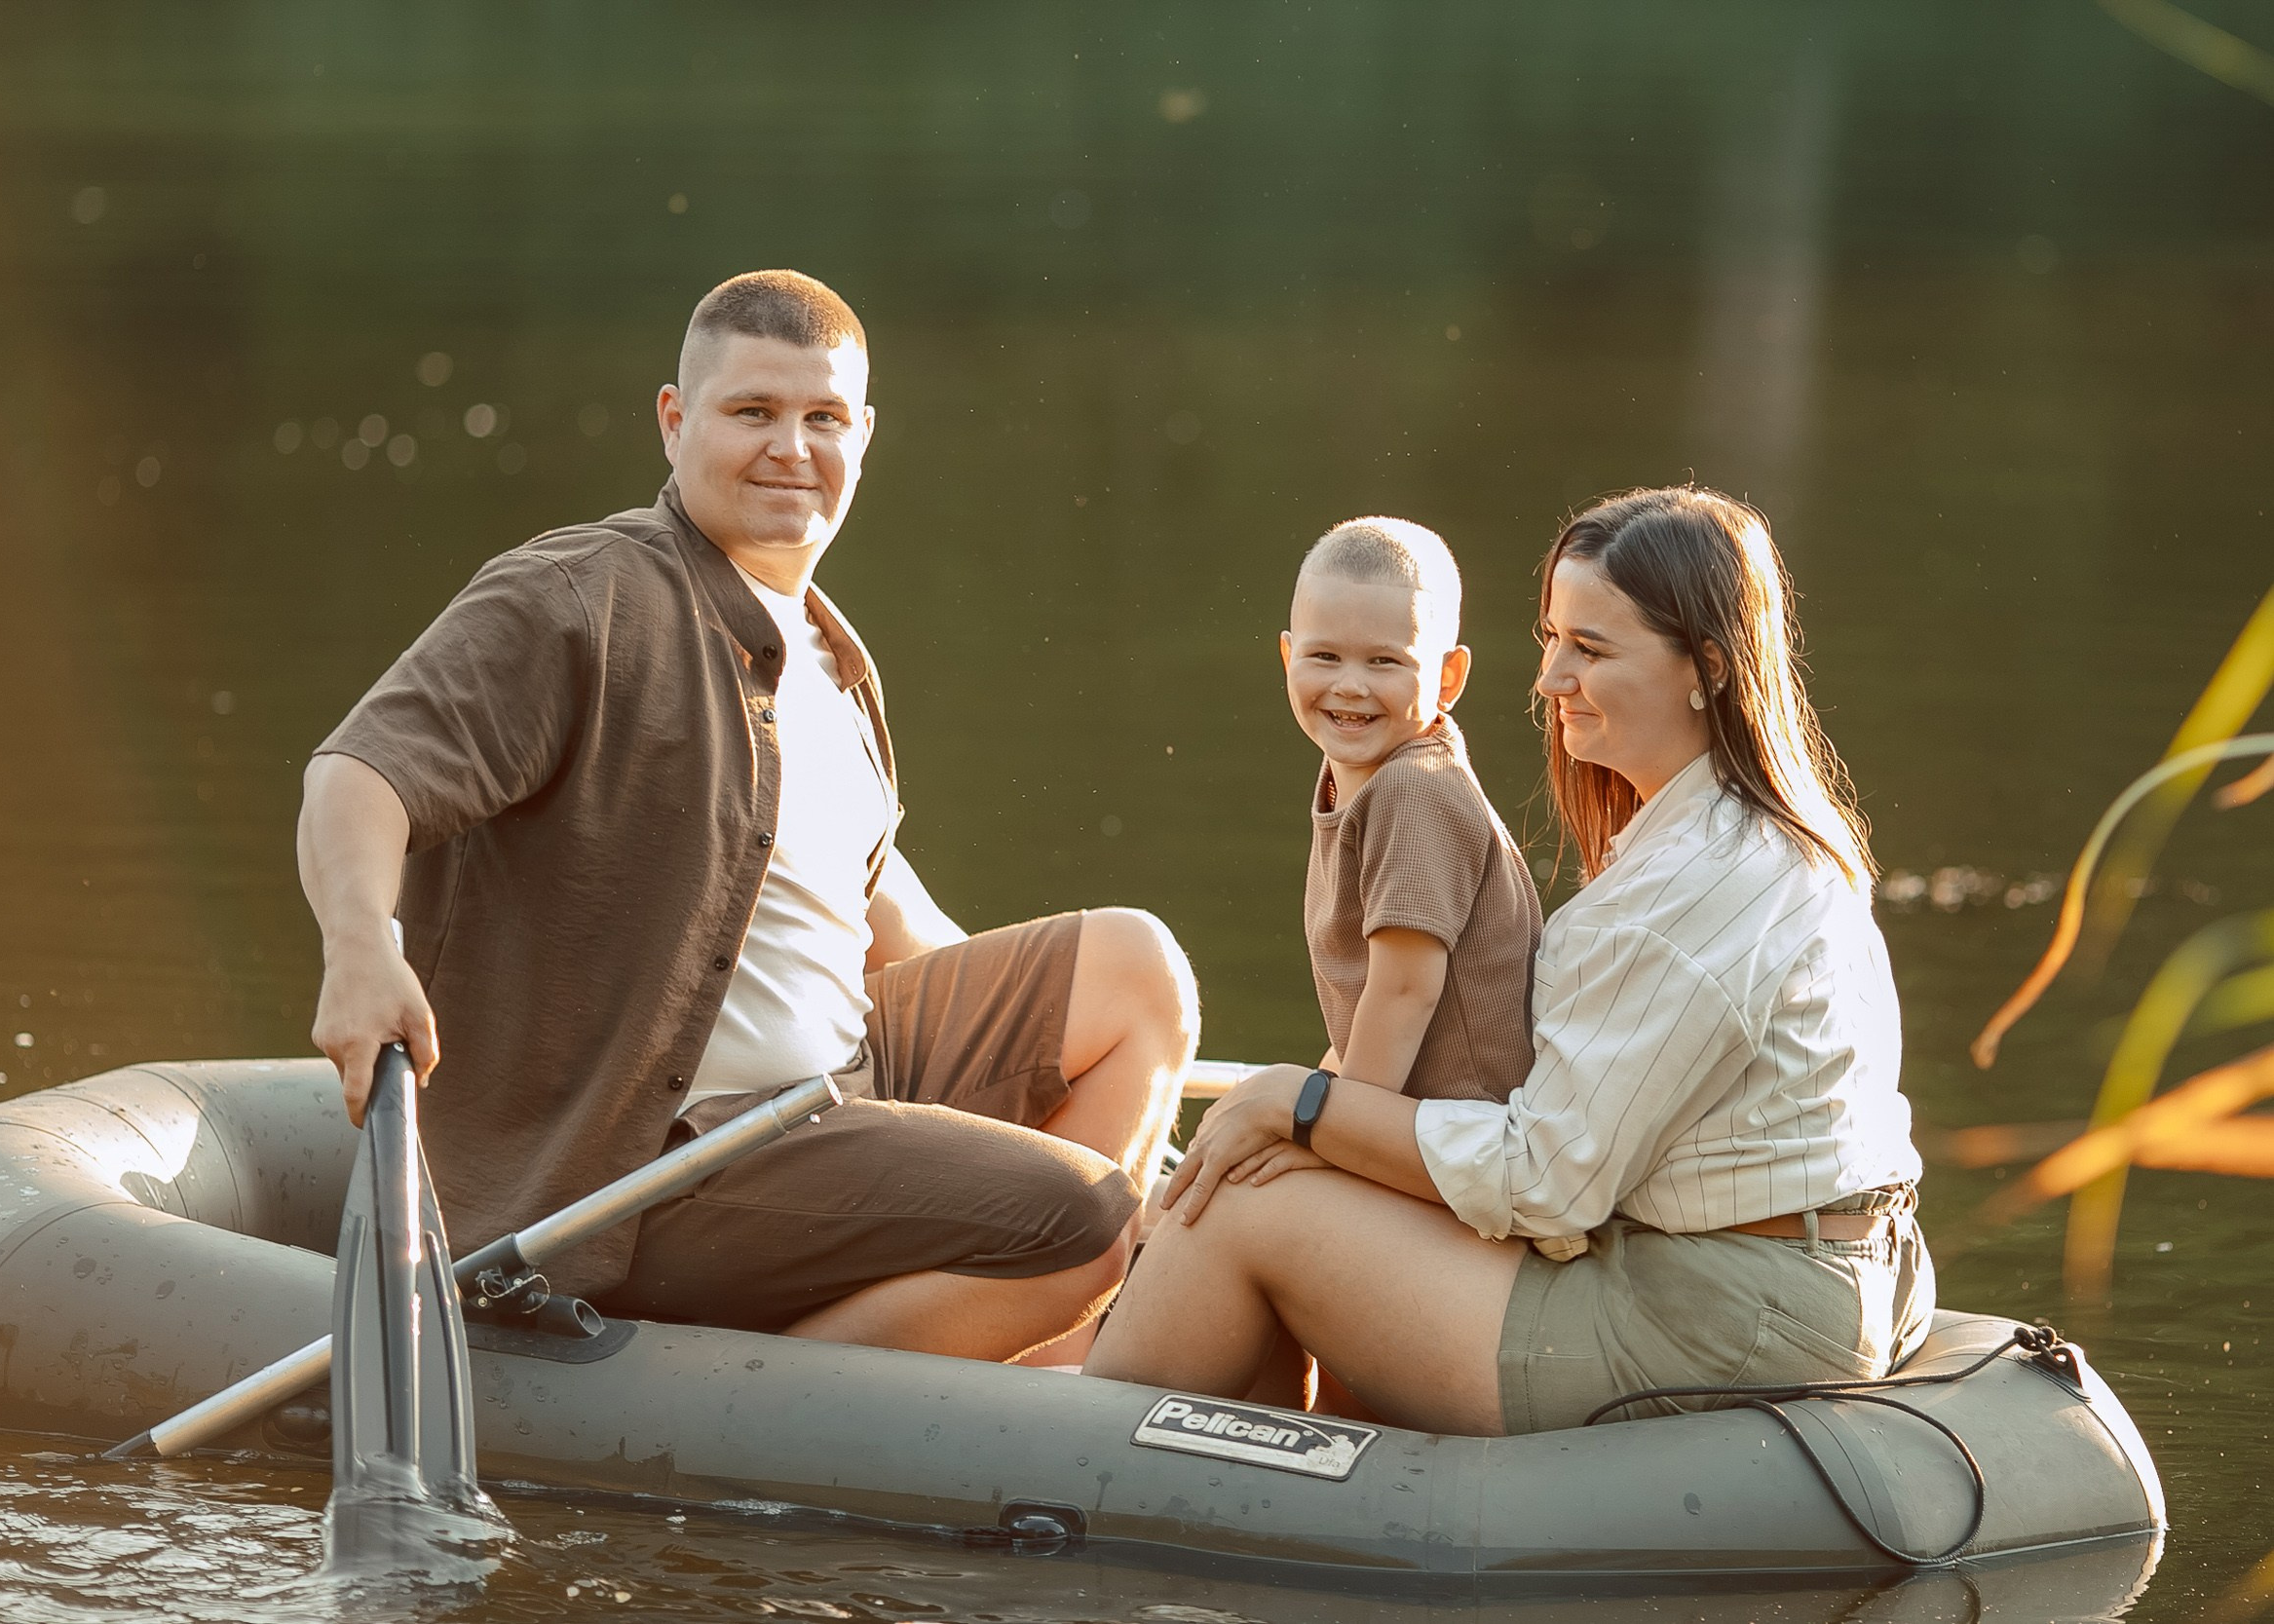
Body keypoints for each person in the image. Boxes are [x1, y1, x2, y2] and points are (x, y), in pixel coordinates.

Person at [298, 269, 1198, 1364]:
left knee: (1135, 968)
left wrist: (1102, 1132)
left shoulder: (832, 655)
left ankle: (1051, 1328)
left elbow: (883, 928)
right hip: (648, 1167)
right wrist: (357, 946)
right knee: (1084, 1219)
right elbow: (359, 775)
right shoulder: (578, 595)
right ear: (676, 421)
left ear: (863, 435)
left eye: (822, 417)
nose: (791, 447)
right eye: (753, 412)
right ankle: (842, 1387)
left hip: (832, 1090)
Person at [1086, 486, 1928, 1437]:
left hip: (1725, 1315)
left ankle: (1053, 1464)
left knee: (1242, 1205)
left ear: (1706, 668)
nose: (1550, 679)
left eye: (1592, 649)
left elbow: (1549, 1182)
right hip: (1816, 1275)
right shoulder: (1744, 836)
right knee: (1296, 1181)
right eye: (1553, 638)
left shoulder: (1694, 883)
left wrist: (1303, 1104)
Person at [1277, 517, 1538, 1121]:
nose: (1350, 685)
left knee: (1205, 1210)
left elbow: (1402, 994)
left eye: (1384, 662)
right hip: (1413, 1118)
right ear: (1288, 656)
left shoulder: (1413, 793)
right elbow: (1366, 1010)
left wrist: (1322, 1137)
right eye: (1324, 655)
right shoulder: (1362, 782)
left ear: (1448, 677)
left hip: (1466, 1136)